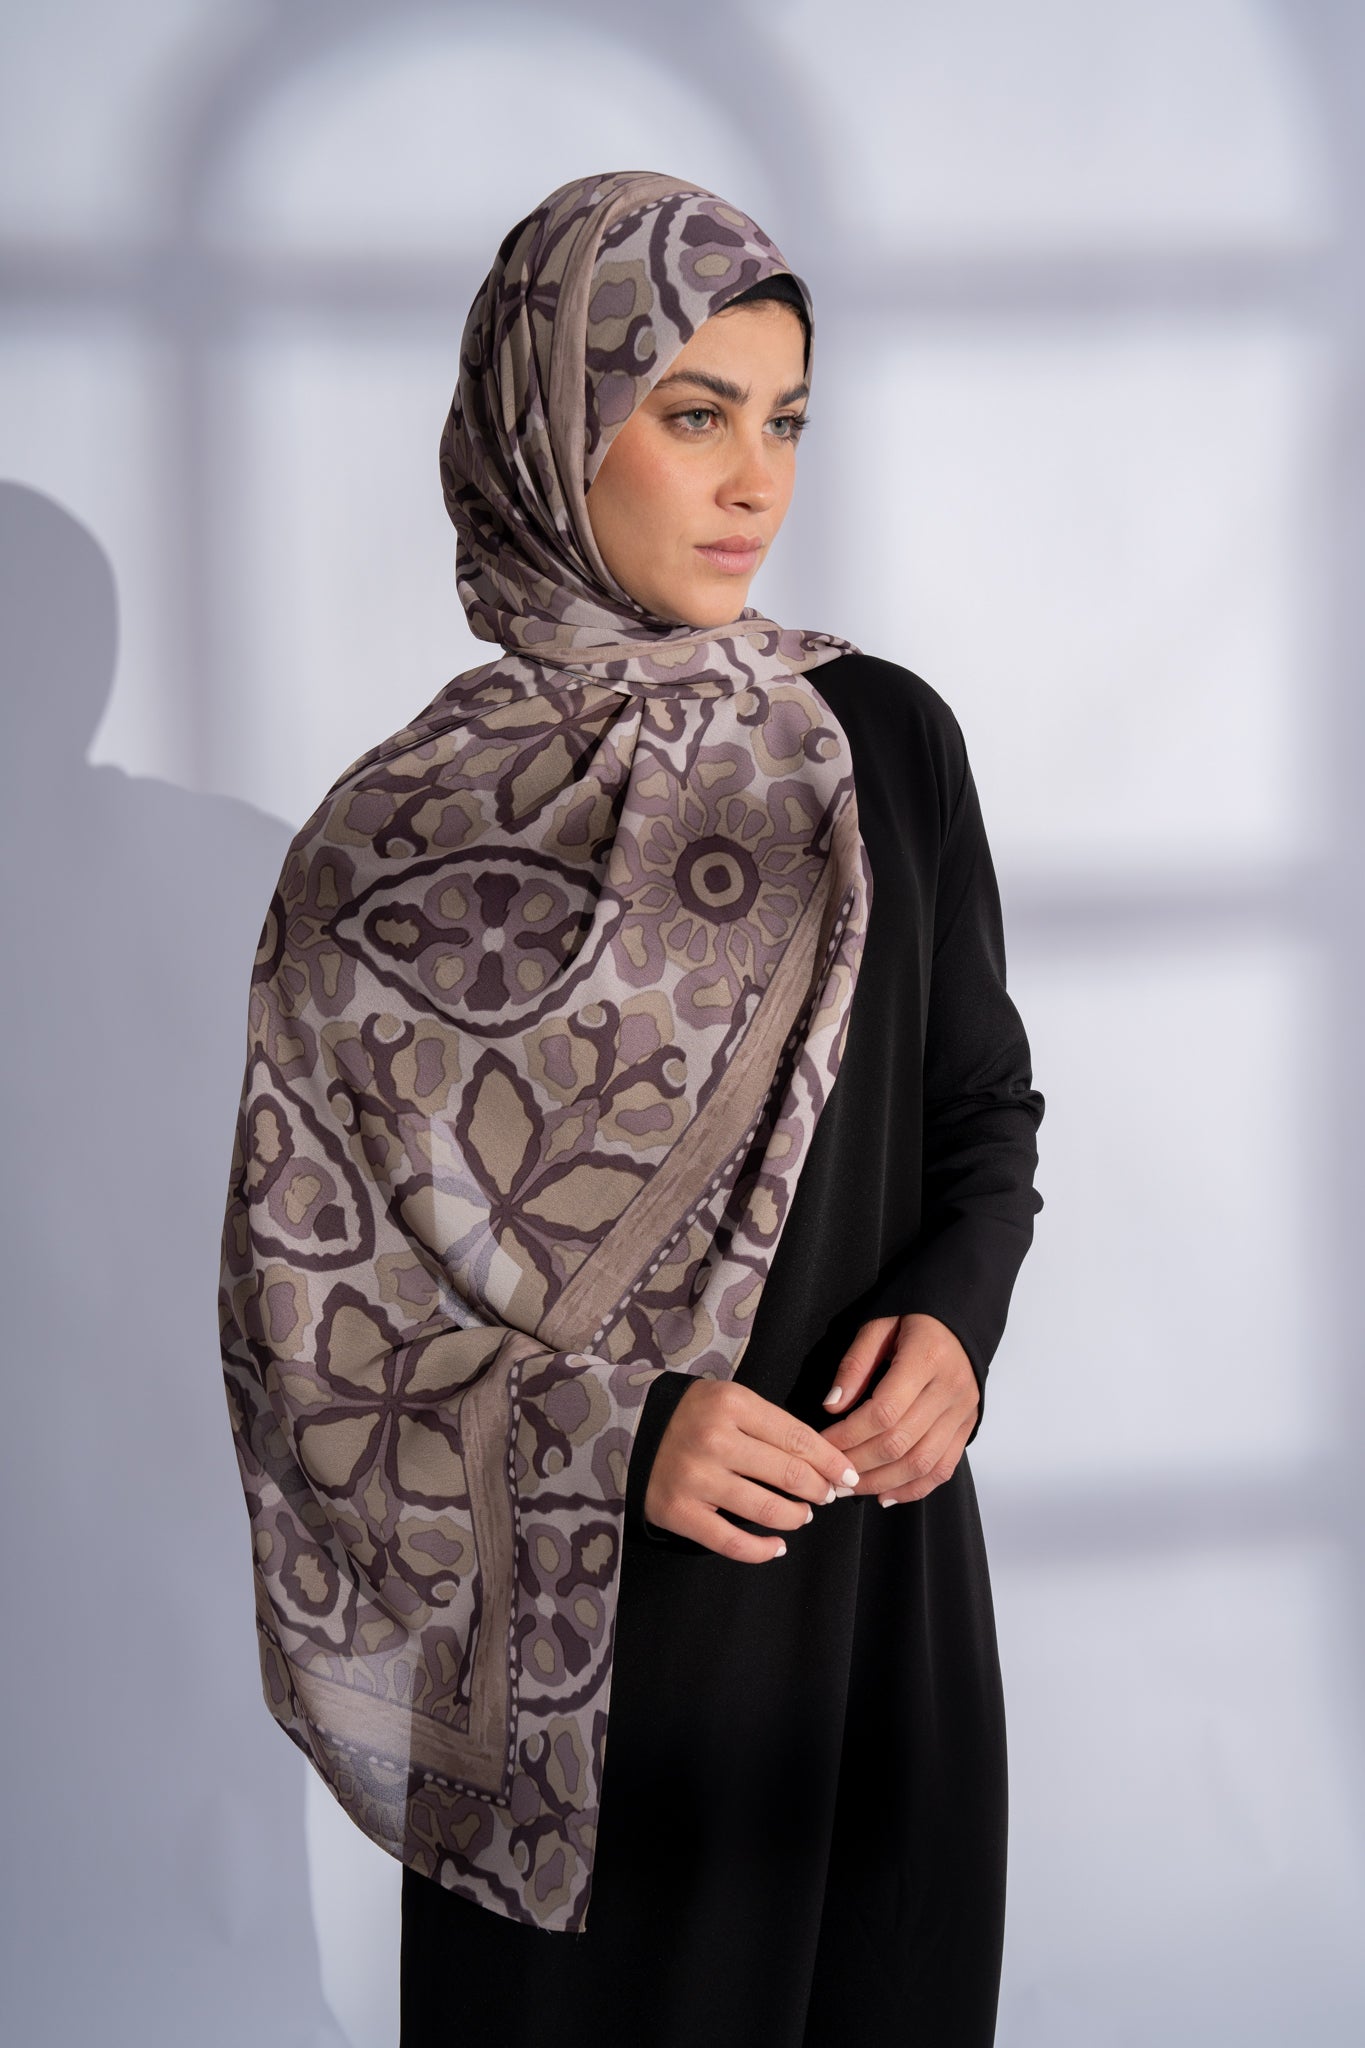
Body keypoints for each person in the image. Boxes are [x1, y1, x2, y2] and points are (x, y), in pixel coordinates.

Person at [218, 169, 1044, 2048]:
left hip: (875, 1588)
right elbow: (310, 1323)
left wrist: (957, 1321)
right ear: (547, 424)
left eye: (786, 422)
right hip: (582, 1665)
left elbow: (979, 1107)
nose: (756, 483)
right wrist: (617, 1432)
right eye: (693, 417)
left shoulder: (878, 741)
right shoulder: (387, 850)